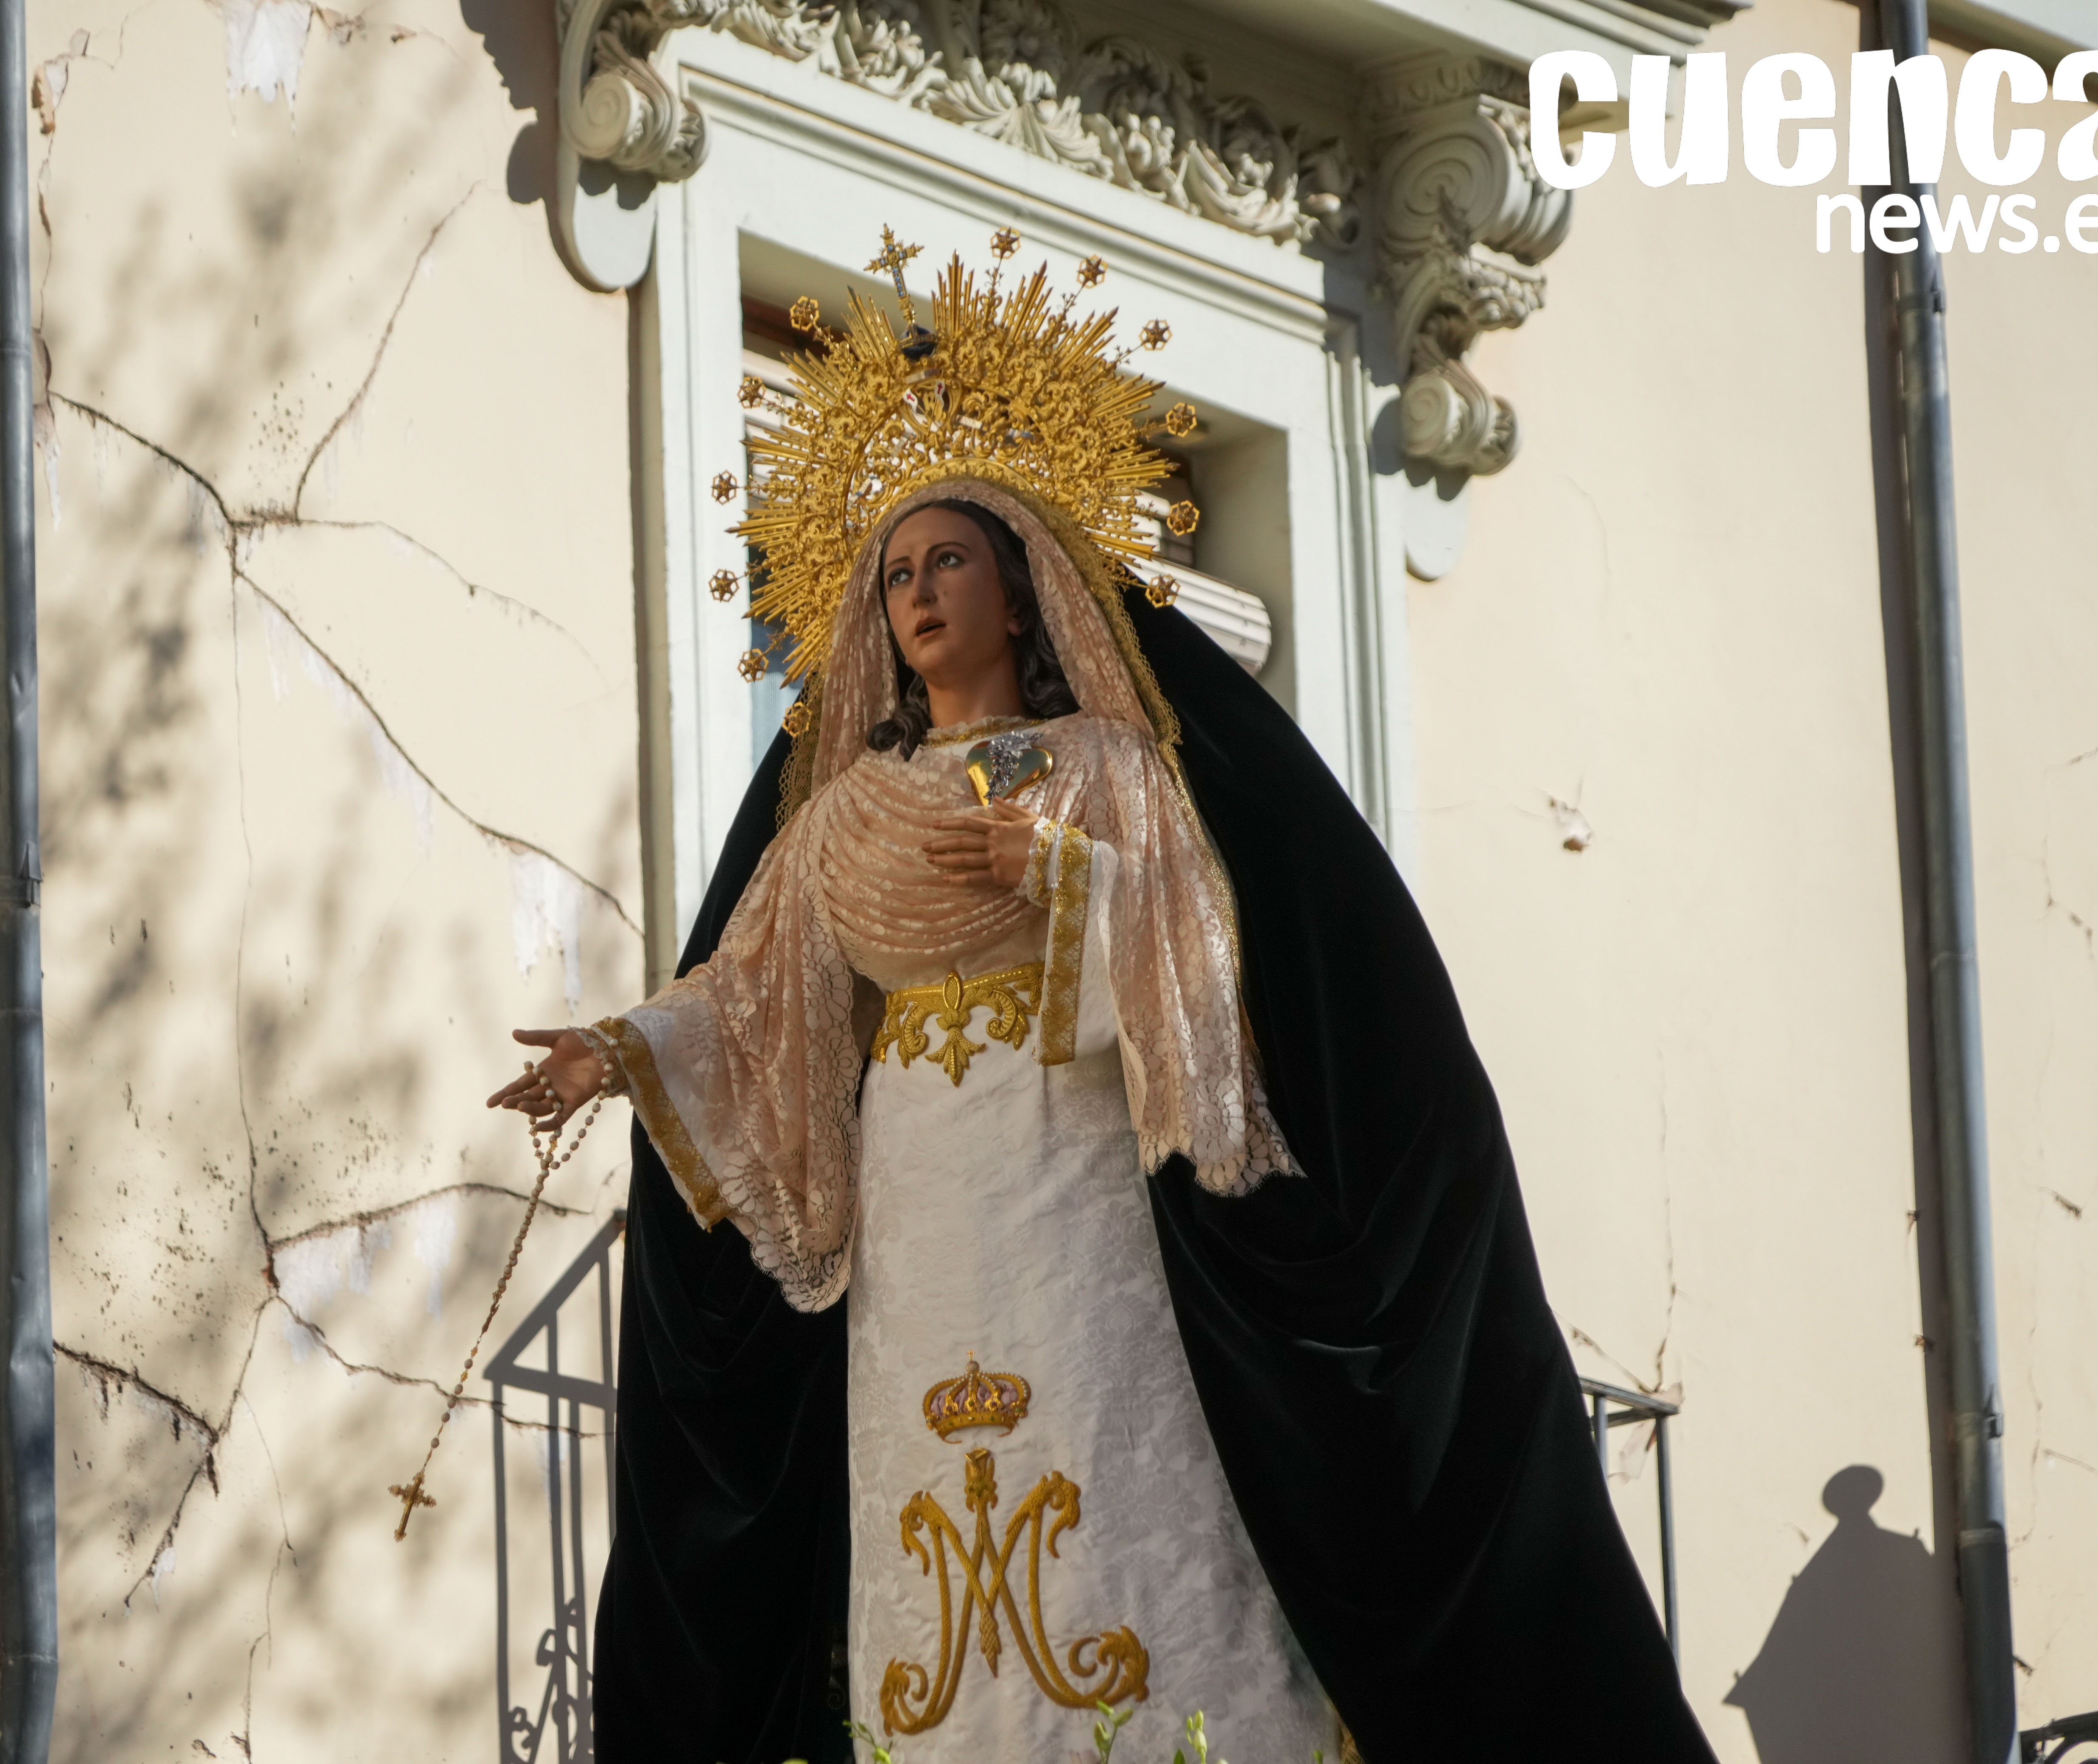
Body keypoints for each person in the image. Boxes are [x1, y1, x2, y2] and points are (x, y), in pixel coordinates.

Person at [488, 245, 1715, 1764]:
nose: (919, 592)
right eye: (896, 574)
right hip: (921, 1189)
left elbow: (1197, 956)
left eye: (949, 562)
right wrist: (616, 1054)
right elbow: (753, 997)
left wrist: (1067, 879)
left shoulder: (1112, 767)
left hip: (1072, 1171)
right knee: (930, 1493)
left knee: (1098, 1447)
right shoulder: (843, 815)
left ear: (1019, 591)